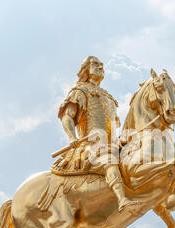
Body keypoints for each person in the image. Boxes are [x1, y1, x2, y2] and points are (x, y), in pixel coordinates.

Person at [54, 56, 139, 213]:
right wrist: (73, 137)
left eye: (102, 65)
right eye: (95, 64)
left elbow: (114, 125)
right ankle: (122, 200)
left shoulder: (108, 97)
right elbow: (67, 116)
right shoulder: (80, 91)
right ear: (86, 69)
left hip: (112, 144)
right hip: (91, 145)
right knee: (108, 160)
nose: (100, 67)